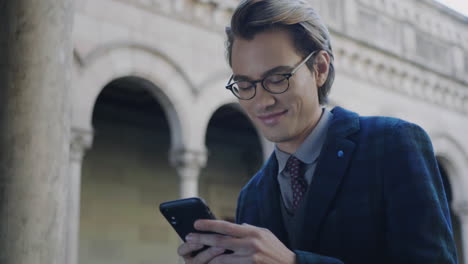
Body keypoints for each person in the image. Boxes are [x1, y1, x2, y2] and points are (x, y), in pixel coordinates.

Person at [177, 0, 458, 263]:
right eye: (246, 85)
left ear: (320, 68)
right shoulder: (252, 195)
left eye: (277, 79)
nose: (261, 101)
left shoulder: (394, 144)